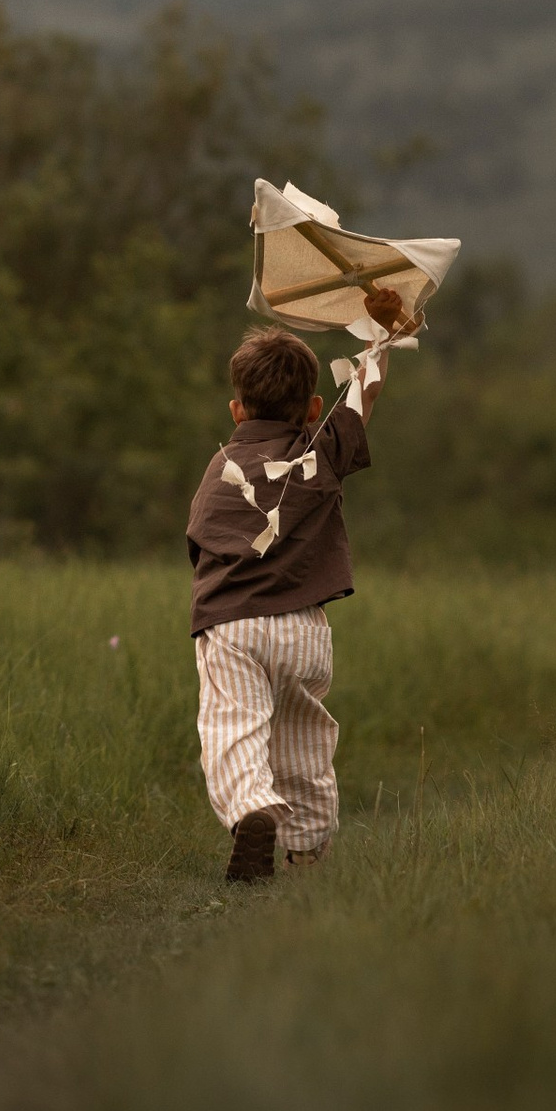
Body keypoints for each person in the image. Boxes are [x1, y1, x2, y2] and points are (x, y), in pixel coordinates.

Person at [185, 283, 410, 883]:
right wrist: (382, 331)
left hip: (232, 626)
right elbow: (363, 391)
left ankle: (253, 809)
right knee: (304, 744)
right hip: (304, 631)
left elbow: (199, 546)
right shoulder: (322, 451)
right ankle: (308, 854)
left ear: (236, 410)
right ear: (312, 409)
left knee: (235, 730)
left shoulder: (219, 468)